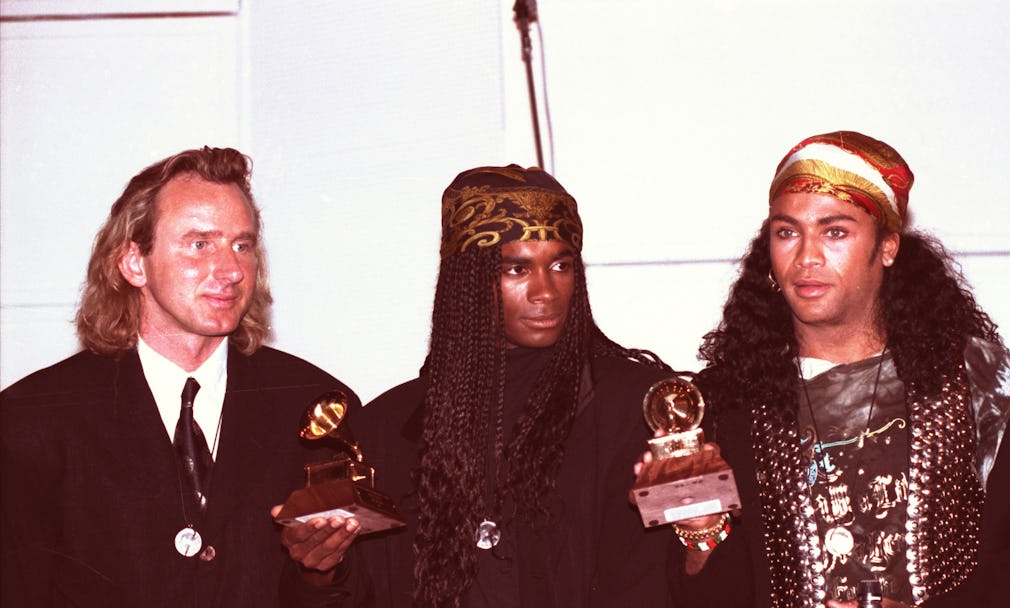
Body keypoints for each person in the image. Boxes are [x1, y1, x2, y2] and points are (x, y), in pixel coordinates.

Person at [663, 131, 1010, 607]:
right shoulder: (727, 404)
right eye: (787, 232)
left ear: (887, 247)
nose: (807, 257)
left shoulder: (975, 383)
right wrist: (702, 531)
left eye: (835, 231)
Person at [1, 147, 362, 607]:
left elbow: (354, 593)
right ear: (134, 262)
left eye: (242, 245)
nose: (231, 270)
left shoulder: (317, 409)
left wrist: (319, 572)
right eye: (199, 244)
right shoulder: (32, 421)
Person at [331, 165, 676, 607]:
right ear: (468, 281)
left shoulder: (636, 407)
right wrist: (318, 574)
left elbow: (673, 580)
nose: (546, 292)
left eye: (561, 265)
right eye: (517, 269)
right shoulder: (387, 427)